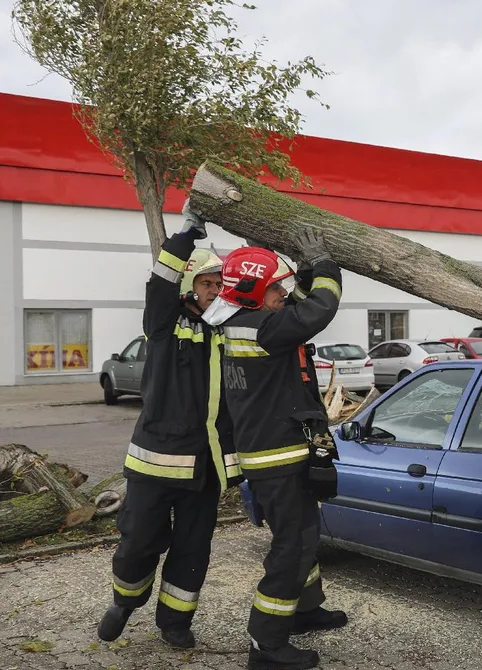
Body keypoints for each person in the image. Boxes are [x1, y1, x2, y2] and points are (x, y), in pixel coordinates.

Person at [98, 203, 241, 649]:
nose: (214, 290)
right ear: (188, 286)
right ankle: (125, 600)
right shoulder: (164, 323)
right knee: (139, 540)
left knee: (193, 552)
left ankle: (175, 622)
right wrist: (185, 239)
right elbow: (158, 281)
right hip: (156, 461)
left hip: (206, 468)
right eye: (206, 283)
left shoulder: (231, 327)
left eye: (219, 284)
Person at [203, 227, 344, 670]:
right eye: (276, 288)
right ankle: (266, 644)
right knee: (294, 546)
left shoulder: (244, 320)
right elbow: (318, 309)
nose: (283, 293)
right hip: (278, 458)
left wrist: (299, 273)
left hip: (275, 452)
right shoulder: (266, 328)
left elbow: (295, 310)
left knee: (303, 534)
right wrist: (322, 265)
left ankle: (305, 610)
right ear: (256, 293)